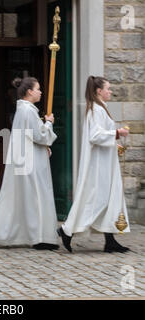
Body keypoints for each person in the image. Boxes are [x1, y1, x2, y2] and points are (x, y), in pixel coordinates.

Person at [57, 76, 130, 253]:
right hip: (99, 166)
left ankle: (110, 239)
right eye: (108, 88)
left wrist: (115, 142)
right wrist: (117, 133)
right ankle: (67, 230)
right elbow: (95, 135)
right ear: (99, 91)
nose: (110, 92)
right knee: (97, 200)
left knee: (108, 199)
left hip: (105, 162)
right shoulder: (96, 110)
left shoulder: (100, 109)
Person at [0, 77, 59, 250]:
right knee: (35, 196)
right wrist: (48, 124)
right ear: (29, 92)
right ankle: (39, 236)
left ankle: (39, 235)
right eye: (38, 89)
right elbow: (39, 135)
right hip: (31, 162)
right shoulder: (28, 111)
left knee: (30, 197)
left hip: (29, 157)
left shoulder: (25, 110)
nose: (41, 92)